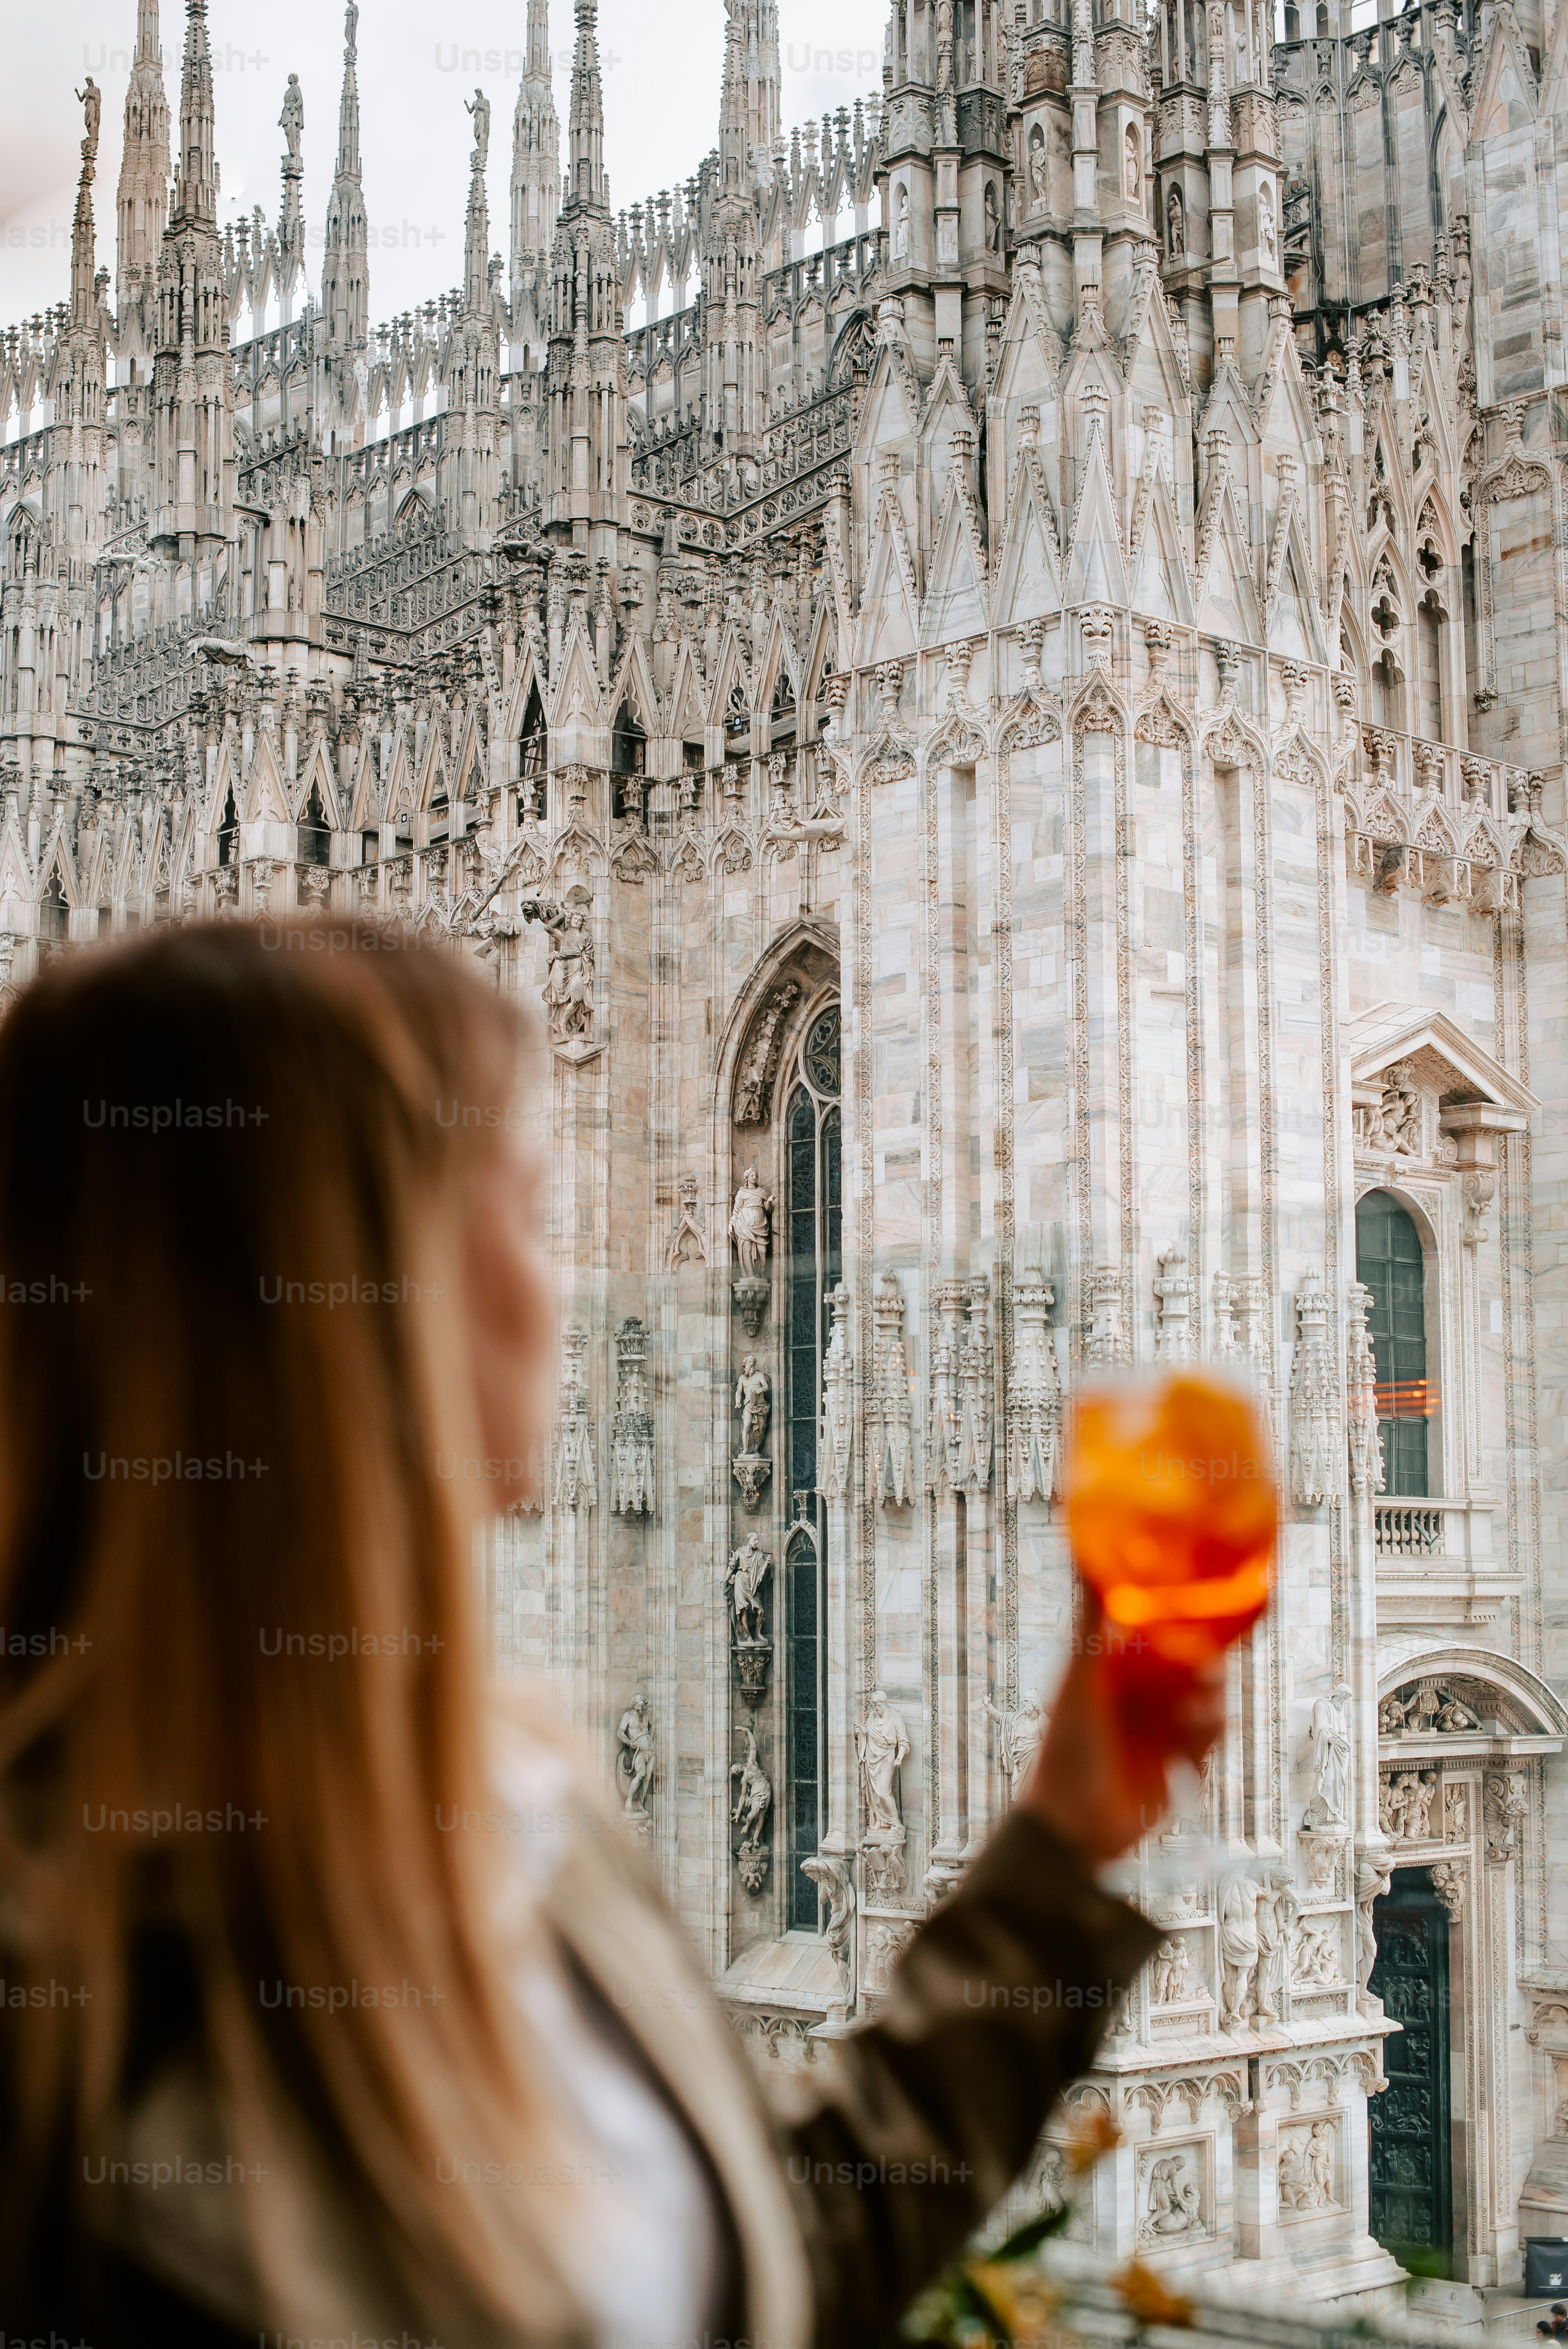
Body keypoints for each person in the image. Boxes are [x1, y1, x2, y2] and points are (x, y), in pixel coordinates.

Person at [0, 920, 1224, 2346]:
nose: (571, 1286)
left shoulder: (530, 1817)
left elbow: (755, 2274)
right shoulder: (55, 2019)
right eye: (517, 1211)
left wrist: (1060, 1852)